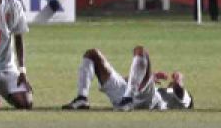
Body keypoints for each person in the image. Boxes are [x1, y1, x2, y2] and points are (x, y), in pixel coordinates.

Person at [61, 45, 194, 111]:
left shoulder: (177, 97)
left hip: (150, 102)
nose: (170, 83)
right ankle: (82, 99)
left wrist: (179, 80)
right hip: (125, 94)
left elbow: (180, 93)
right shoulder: (161, 89)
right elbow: (128, 81)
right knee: (92, 54)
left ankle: (127, 102)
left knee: (141, 51)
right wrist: (149, 77)